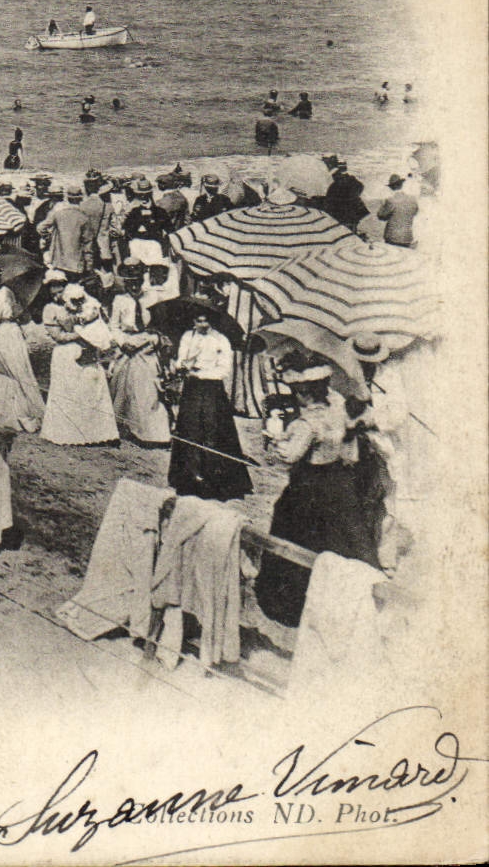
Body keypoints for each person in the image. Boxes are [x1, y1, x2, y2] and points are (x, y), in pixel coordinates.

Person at [254, 362, 378, 626]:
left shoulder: (306, 423)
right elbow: (352, 425)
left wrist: (274, 439)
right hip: (337, 479)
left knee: (295, 533)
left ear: (304, 393)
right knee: (341, 535)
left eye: (297, 391)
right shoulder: (336, 409)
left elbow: (290, 456)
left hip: (309, 485)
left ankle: (290, 604)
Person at [167, 311, 252, 499]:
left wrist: (201, 372)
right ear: (193, 320)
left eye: (206, 321)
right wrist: (183, 365)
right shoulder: (188, 337)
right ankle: (188, 477)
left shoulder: (221, 340)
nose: (202, 324)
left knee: (211, 429)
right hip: (191, 389)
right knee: (190, 429)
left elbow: (224, 370)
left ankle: (212, 480)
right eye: (199, 320)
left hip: (211, 389)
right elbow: (181, 358)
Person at [40, 284, 118, 445]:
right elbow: (59, 336)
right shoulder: (50, 310)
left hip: (88, 351)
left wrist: (90, 330)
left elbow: (97, 320)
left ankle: (95, 434)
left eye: (60, 286)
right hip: (66, 353)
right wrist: (80, 333)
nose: (58, 291)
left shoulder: (87, 304)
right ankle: (68, 434)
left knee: (90, 389)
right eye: (54, 288)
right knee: (69, 392)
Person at [108, 263, 171, 445]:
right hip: (127, 345)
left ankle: (151, 433)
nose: (134, 286)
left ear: (143, 280)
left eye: (137, 282)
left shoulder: (153, 297)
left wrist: (154, 340)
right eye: (130, 283)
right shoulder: (120, 300)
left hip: (146, 345)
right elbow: (114, 327)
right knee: (121, 387)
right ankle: (122, 426)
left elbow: (160, 325)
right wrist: (122, 342)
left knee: (148, 389)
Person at [0, 271, 44, 431]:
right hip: (15, 333)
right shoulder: (11, 293)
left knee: (4, 372)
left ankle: (19, 414)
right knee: (18, 372)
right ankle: (15, 410)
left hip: (3, 335)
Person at [39, 182, 96, 276]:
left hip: (58, 260)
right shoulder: (84, 218)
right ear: (80, 198)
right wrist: (89, 265)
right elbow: (88, 243)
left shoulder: (58, 214)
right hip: (76, 263)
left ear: (68, 198)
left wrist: (49, 237)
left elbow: (41, 227)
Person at [320, 155, 369, 231]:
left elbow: (329, 203)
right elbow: (360, 186)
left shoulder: (335, 186)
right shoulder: (354, 183)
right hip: (353, 216)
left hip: (342, 218)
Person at [377, 173, 418, 247]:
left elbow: (381, 216)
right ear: (401, 185)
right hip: (407, 238)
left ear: (391, 187)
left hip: (392, 238)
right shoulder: (412, 199)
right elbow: (415, 212)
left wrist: (382, 205)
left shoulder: (391, 200)